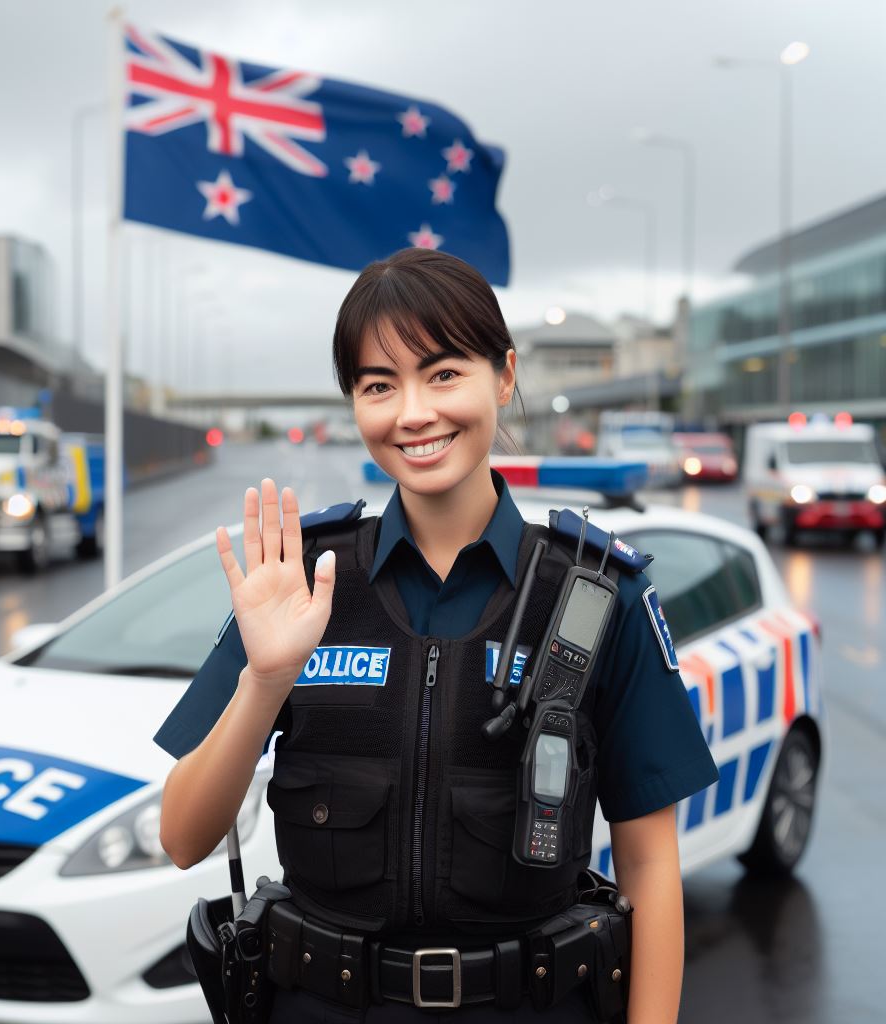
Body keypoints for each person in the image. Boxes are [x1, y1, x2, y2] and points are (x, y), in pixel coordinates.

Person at [155, 248, 719, 1023]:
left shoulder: (595, 596)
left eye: (444, 373)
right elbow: (183, 836)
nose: (413, 412)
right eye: (378, 385)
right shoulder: (305, 581)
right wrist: (265, 678)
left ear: (505, 376)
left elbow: (651, 867)